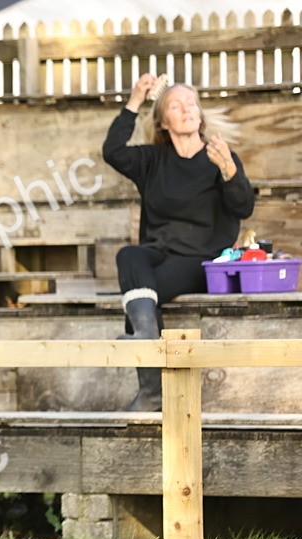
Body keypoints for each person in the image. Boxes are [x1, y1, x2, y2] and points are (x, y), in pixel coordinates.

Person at [102, 75, 255, 411]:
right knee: (129, 256)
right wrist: (134, 100)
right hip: (159, 252)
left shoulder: (219, 157)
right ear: (163, 121)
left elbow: (244, 207)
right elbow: (112, 151)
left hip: (203, 259)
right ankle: (147, 343)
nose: (187, 109)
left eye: (191, 103)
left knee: (141, 292)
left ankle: (150, 386)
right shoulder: (153, 160)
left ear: (199, 114)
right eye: (175, 105)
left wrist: (229, 170)